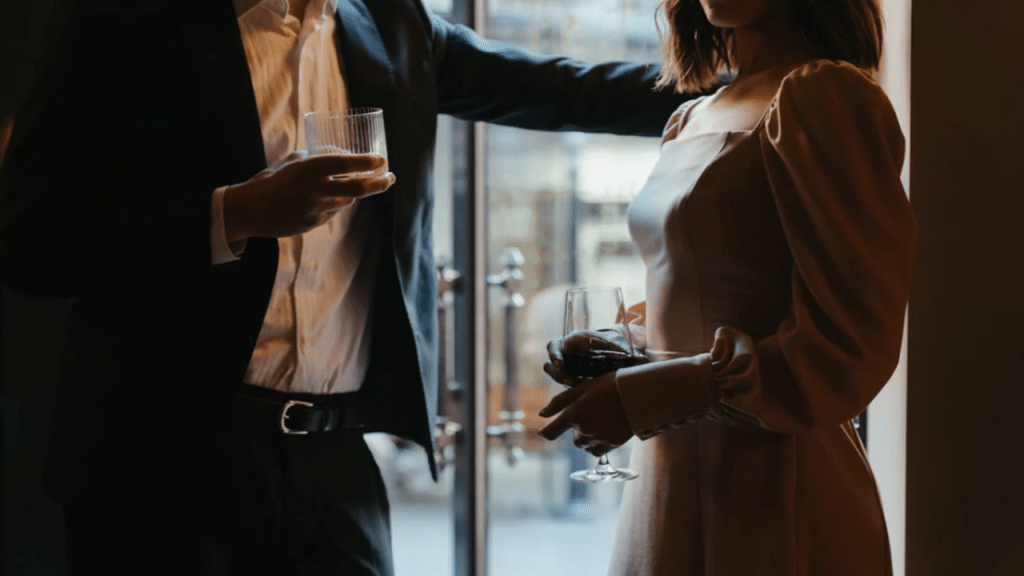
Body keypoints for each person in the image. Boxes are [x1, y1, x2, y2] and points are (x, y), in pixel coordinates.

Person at [0, 0, 707, 574]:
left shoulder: (393, 25)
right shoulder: (122, 23)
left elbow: (562, 89)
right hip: (156, 458)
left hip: (335, 463)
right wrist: (234, 214)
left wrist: (751, 81)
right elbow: (28, 237)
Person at [538, 0, 917, 574]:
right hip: (666, 481)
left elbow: (850, 349)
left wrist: (645, 397)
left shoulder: (825, 96)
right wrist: (621, 347)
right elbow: (700, 295)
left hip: (776, 493)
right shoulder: (690, 118)